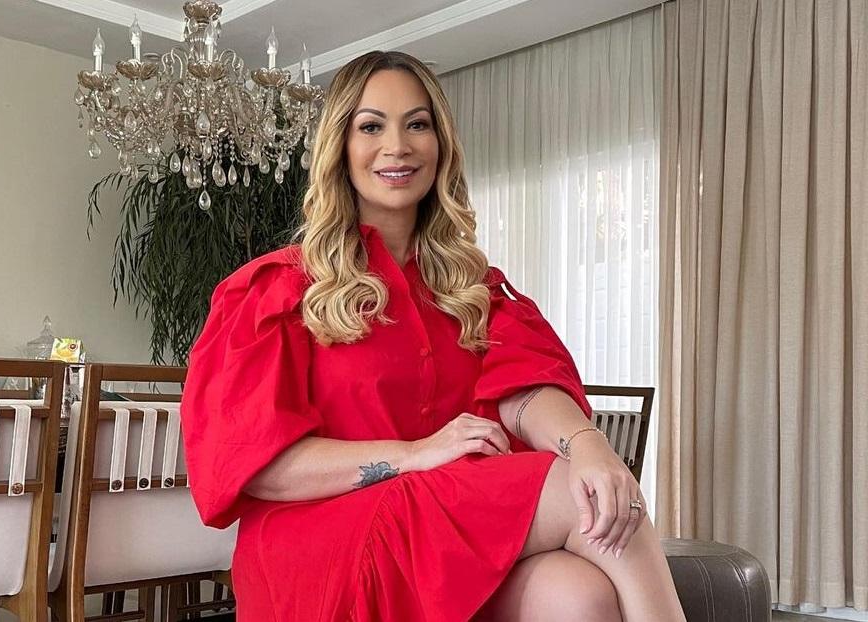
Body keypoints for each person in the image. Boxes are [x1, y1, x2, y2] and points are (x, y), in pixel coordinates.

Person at [181, 50, 686, 622]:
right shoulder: (276, 291)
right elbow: (259, 468)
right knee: (587, 497)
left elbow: (524, 390)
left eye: (417, 124)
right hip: (322, 541)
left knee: (578, 593)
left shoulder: (473, 289)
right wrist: (415, 455)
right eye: (371, 126)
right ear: (339, 146)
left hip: (440, 531)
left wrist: (589, 445)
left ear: (440, 144)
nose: (397, 146)